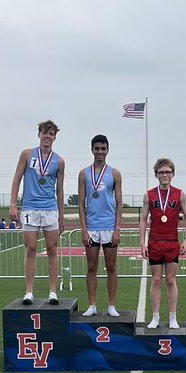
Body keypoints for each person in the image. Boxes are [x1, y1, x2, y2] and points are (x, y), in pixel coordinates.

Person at [8, 119, 65, 305]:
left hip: (50, 209)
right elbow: (17, 178)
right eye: (45, 132)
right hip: (30, 208)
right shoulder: (27, 154)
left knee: (52, 249)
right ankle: (29, 291)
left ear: (55, 137)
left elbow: (60, 190)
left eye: (51, 134)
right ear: (39, 134)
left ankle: (53, 292)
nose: (47, 136)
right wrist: (13, 204)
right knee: (31, 248)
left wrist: (61, 216)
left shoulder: (59, 161)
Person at [141, 158, 186, 330]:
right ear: (156, 174)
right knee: (156, 280)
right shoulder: (149, 195)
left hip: (171, 242)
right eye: (161, 172)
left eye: (168, 172)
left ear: (173, 174)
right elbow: (143, 220)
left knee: (170, 280)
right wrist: (142, 242)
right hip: (155, 242)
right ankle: (155, 317)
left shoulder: (179, 194)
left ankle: (173, 317)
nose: (164, 175)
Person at [77, 134, 123, 317]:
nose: (100, 152)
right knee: (91, 267)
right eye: (97, 148)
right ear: (92, 150)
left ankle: (112, 305)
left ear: (108, 150)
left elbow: (119, 203)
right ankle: (92, 305)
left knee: (111, 266)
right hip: (91, 227)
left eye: (103, 149)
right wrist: (83, 229)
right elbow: (81, 203)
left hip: (109, 226)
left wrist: (117, 229)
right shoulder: (84, 174)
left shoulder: (115, 173)